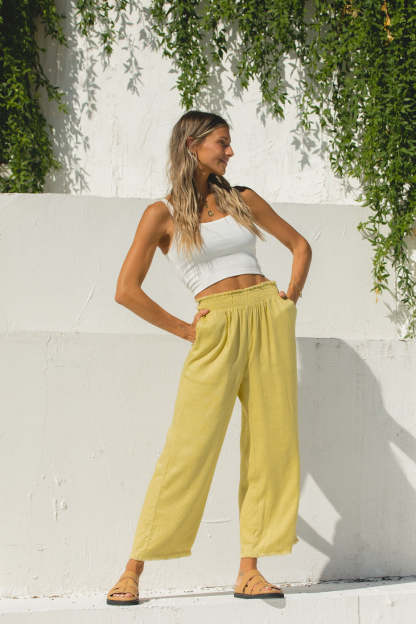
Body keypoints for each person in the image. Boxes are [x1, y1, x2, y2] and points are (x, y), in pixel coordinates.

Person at [106, 110, 312, 605]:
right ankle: (133, 568)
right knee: (188, 448)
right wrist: (185, 330)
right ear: (192, 145)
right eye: (222, 142)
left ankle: (249, 571)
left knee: (270, 446)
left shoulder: (242, 199)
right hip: (215, 328)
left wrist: (288, 300)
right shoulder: (161, 215)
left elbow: (300, 246)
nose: (230, 151)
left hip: (267, 318)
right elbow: (126, 290)